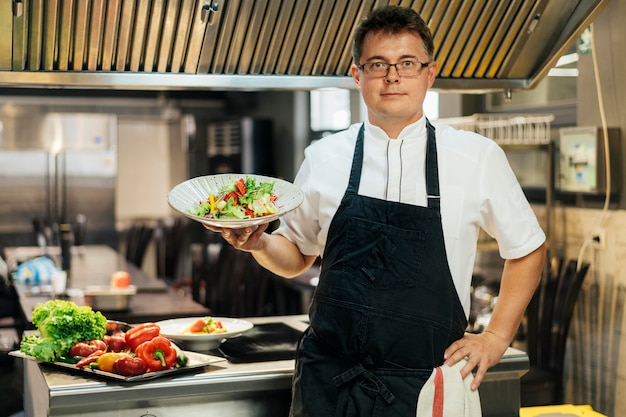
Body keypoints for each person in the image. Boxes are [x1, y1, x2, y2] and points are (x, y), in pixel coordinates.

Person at [206, 5, 546, 416]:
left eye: (407, 63)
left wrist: (495, 338)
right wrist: (258, 242)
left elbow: (527, 247)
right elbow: (296, 256)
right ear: (357, 75)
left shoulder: (475, 157)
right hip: (328, 383)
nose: (393, 76)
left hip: (422, 385)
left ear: (429, 73)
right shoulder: (324, 156)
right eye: (378, 64)